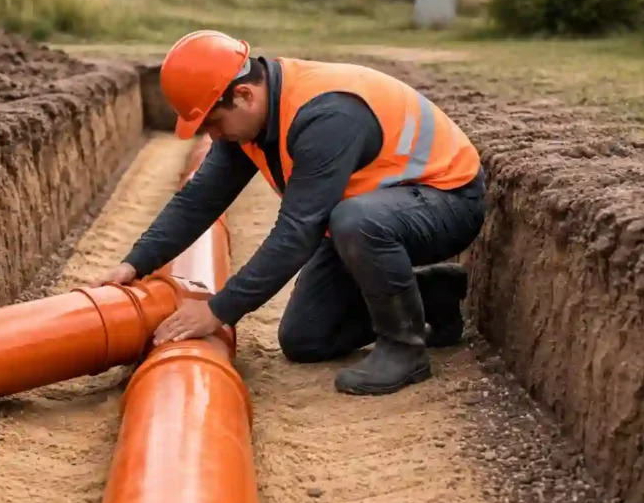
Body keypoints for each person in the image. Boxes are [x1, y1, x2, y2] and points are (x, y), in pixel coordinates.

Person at [90, 30, 486, 396]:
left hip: (445, 201)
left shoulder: (325, 115)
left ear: (243, 95)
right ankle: (435, 296)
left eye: (213, 122)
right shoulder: (252, 119)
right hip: (375, 212)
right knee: (306, 338)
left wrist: (218, 310)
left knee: (355, 221)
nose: (212, 135)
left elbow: (297, 232)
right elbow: (199, 199)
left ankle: (405, 347)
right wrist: (134, 264)